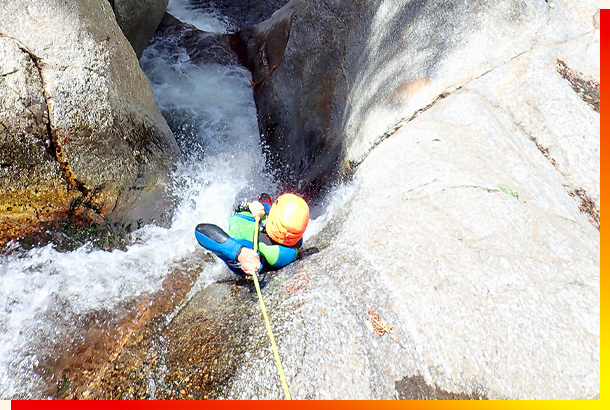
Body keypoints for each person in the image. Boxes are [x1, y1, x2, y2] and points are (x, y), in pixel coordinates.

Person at [195, 193, 309, 277]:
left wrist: (240, 253)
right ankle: (262, 204)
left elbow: (201, 230)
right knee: (263, 197)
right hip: (254, 221)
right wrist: (262, 208)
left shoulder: (254, 252)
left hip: (236, 240)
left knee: (242, 196)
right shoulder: (292, 238)